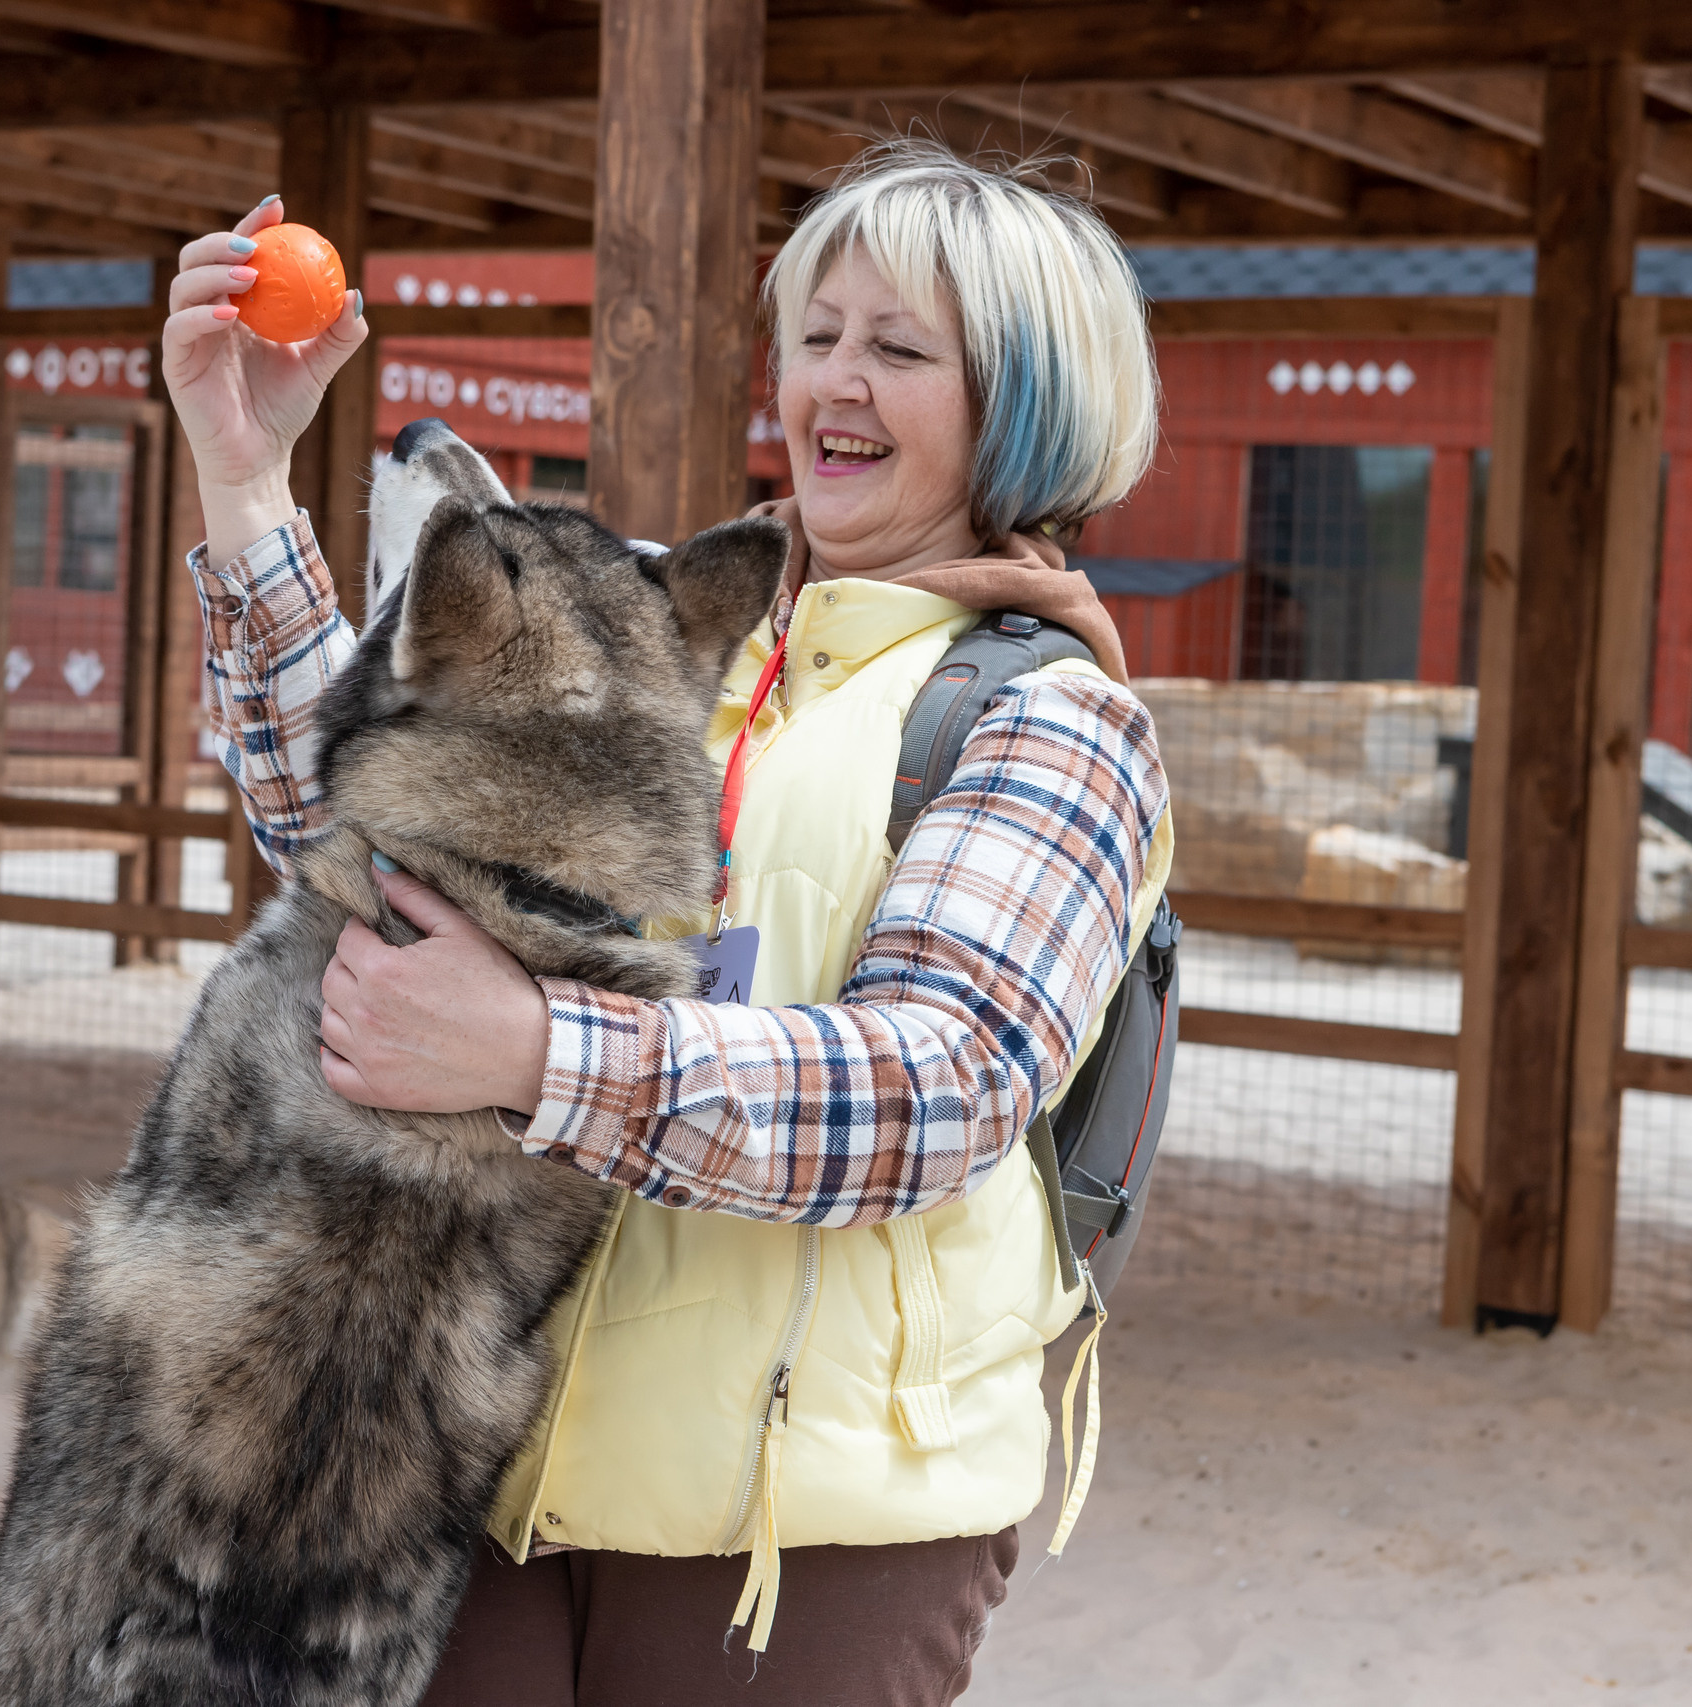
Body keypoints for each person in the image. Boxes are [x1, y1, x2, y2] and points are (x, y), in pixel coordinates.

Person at [159, 140, 1173, 1705]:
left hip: (805, 1533)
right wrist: (244, 470)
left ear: (1024, 409)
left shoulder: (1049, 719)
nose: (836, 377)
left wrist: (528, 1045)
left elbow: (936, 1087)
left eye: (901, 349)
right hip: (500, 1455)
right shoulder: (674, 628)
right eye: (818, 332)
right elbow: (361, 837)